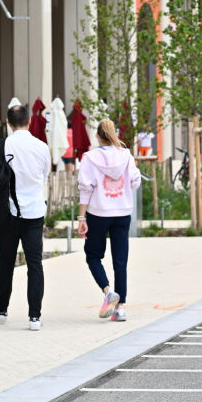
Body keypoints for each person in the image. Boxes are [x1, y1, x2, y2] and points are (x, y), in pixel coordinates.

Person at [0, 104, 51, 331]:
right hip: (34, 212)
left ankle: (1, 308)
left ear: (8, 123)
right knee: (35, 264)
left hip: (7, 214)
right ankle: (35, 317)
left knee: (6, 263)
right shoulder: (42, 147)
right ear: (29, 121)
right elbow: (44, 176)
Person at [77, 119, 141, 323]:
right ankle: (120, 308)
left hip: (98, 213)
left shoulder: (89, 158)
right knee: (120, 261)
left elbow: (85, 188)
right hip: (122, 212)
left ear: (97, 136)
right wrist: (135, 168)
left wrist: (81, 217)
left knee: (93, 256)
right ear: (114, 134)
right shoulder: (126, 155)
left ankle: (107, 291)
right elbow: (135, 182)